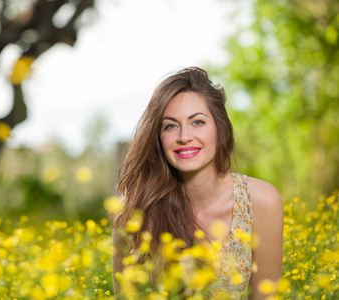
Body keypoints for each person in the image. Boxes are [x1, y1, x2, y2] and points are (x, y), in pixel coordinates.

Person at [111, 67, 283, 299]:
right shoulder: (135, 210)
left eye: (198, 122)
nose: (184, 136)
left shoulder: (261, 202)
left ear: (219, 129)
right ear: (158, 137)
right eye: (170, 126)